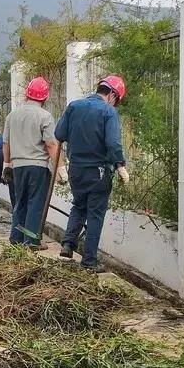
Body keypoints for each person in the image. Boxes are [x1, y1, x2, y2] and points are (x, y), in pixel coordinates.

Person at [54, 76, 129, 272]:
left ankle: (68, 244)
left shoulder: (74, 106)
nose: (116, 104)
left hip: (76, 170)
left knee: (79, 206)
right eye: (117, 100)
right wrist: (120, 164)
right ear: (112, 94)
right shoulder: (109, 111)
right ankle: (89, 260)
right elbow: (113, 143)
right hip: (99, 172)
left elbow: (59, 134)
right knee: (95, 214)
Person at [3, 77, 58, 249]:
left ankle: (16, 237)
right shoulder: (45, 116)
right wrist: (60, 167)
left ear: (27, 94)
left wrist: (7, 164)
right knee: (35, 203)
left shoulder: (12, 115)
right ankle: (31, 241)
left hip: (18, 166)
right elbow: (50, 144)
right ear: (45, 97)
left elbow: (6, 143)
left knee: (21, 202)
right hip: (38, 166)